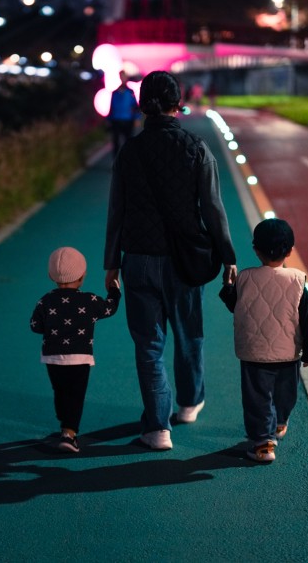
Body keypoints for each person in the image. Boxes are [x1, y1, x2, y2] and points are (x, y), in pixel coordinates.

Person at [104, 70, 237, 451]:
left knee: (148, 345)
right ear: (178, 104)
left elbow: (118, 212)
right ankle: (190, 402)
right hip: (182, 260)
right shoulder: (196, 148)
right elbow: (213, 209)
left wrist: (111, 263)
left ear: (143, 105)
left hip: (139, 260)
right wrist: (227, 256)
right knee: (188, 333)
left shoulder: (129, 151)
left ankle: (158, 428)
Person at [218, 218, 308, 463]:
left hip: (254, 353)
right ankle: (278, 424)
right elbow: (307, 320)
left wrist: (228, 286)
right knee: (286, 395)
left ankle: (263, 443)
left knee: (257, 398)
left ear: (256, 249)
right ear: (290, 250)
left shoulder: (245, 278)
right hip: (289, 354)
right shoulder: (298, 281)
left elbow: (236, 307)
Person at [30, 246, 121, 453]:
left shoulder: (45, 300)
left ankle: (64, 424)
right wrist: (114, 290)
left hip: (52, 358)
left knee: (60, 391)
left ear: (51, 275)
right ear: (82, 276)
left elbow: (35, 326)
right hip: (80, 358)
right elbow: (110, 308)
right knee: (76, 393)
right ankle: (69, 434)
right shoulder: (89, 301)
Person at [106, 71, 140, 158]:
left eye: (124, 76)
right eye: (121, 76)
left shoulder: (130, 92)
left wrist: (136, 118)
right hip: (116, 119)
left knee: (129, 142)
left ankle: (129, 161)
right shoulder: (115, 92)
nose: (123, 78)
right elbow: (111, 107)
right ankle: (116, 162)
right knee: (116, 142)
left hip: (128, 120)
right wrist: (109, 119)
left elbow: (135, 106)